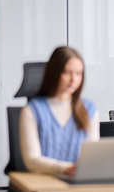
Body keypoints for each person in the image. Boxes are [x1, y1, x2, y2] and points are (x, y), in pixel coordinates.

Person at [19, 46, 99, 176]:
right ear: (54, 73)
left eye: (79, 73)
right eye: (67, 72)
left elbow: (93, 156)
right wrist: (66, 168)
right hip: (43, 182)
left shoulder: (90, 109)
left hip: (80, 181)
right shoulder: (32, 110)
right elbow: (31, 160)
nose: (74, 79)